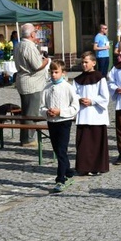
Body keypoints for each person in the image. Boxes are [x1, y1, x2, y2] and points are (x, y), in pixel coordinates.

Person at [40, 60, 79, 193]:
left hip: (64, 122)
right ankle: (68, 171)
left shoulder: (68, 87)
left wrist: (61, 112)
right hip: (51, 122)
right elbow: (41, 106)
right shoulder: (47, 88)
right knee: (57, 150)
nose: (54, 75)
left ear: (63, 73)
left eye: (57, 72)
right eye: (52, 72)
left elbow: (75, 107)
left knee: (62, 150)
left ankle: (60, 179)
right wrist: (47, 112)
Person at [73, 52, 110, 176]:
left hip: (96, 115)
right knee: (84, 144)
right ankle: (84, 167)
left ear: (93, 63)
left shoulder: (100, 77)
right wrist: (79, 99)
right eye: (82, 62)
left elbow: (105, 96)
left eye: (86, 62)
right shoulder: (77, 79)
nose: (84, 64)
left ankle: (98, 166)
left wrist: (92, 101)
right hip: (83, 114)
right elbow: (73, 94)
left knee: (97, 143)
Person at [13, 23, 50, 146]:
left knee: (26, 111)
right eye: (35, 31)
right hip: (31, 83)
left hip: (24, 81)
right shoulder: (28, 46)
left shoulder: (19, 44)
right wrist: (46, 61)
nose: (36, 33)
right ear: (32, 34)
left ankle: (25, 137)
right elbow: (37, 66)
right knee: (31, 113)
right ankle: (28, 139)